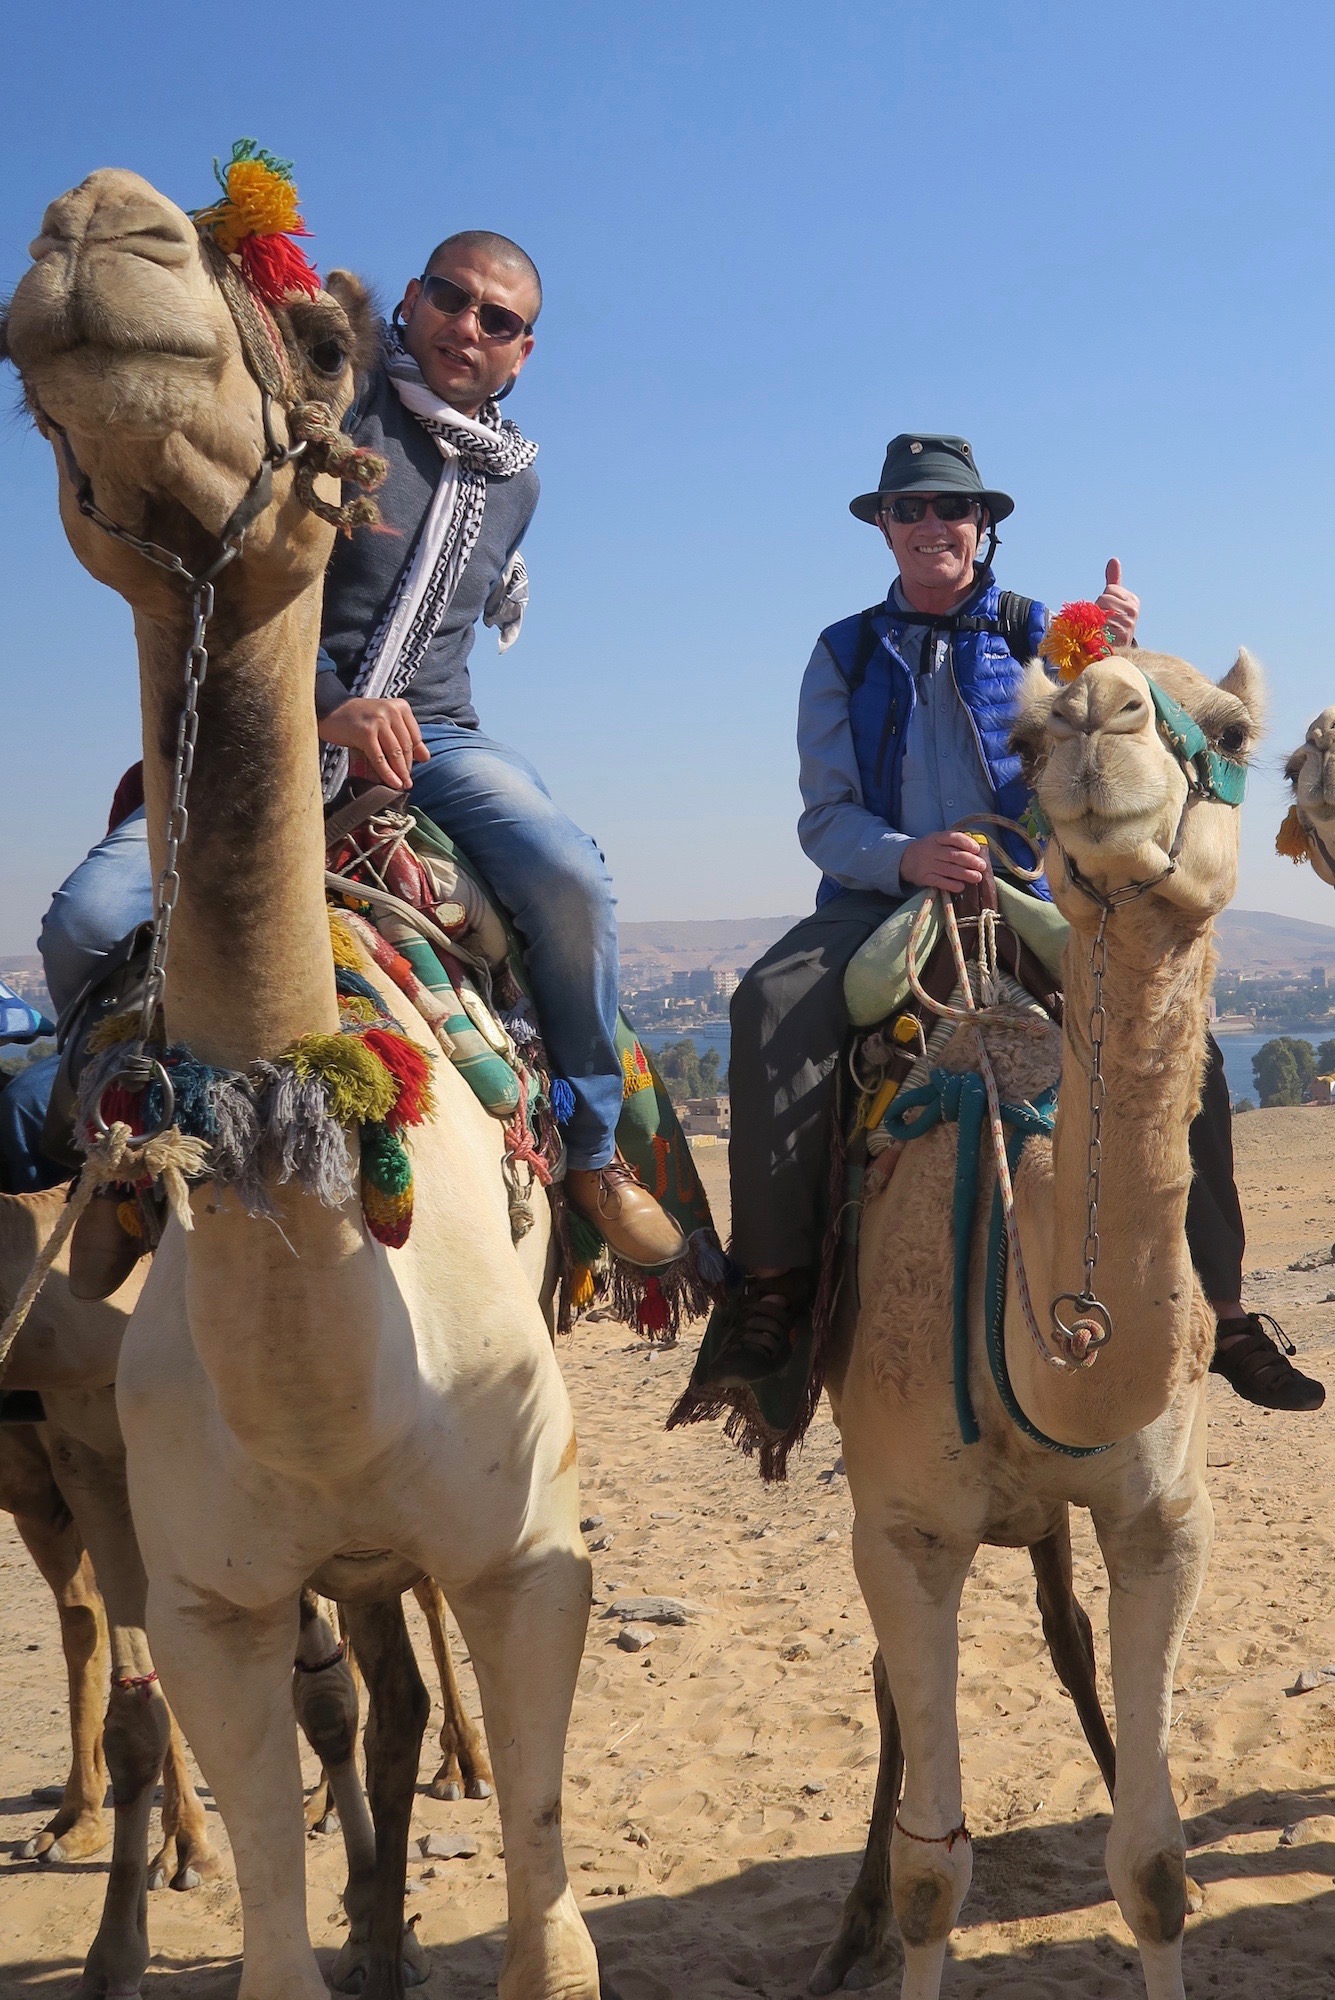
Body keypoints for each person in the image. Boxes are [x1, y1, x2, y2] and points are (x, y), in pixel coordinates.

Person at [0, 230, 684, 1274]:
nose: (468, 327)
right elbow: (236, 581)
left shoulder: (517, 483)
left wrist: (386, 717)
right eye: (451, 300)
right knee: (83, 926)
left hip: (436, 734)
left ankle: (592, 1152)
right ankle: (124, 1151)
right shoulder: (327, 409)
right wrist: (324, 706)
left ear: (524, 352)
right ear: (409, 299)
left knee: (570, 879)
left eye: (497, 319)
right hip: (267, 722)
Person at [703, 433, 1323, 1413]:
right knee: (769, 1004)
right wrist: (906, 855)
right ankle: (772, 1291)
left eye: (950, 508)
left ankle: (1225, 1307)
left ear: (982, 525)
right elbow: (825, 813)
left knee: (1174, 1040)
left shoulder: (1053, 631)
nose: (930, 524)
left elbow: (1128, 728)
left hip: (1029, 891)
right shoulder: (844, 651)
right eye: (907, 509)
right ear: (885, 529)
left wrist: (1121, 646)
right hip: (882, 897)